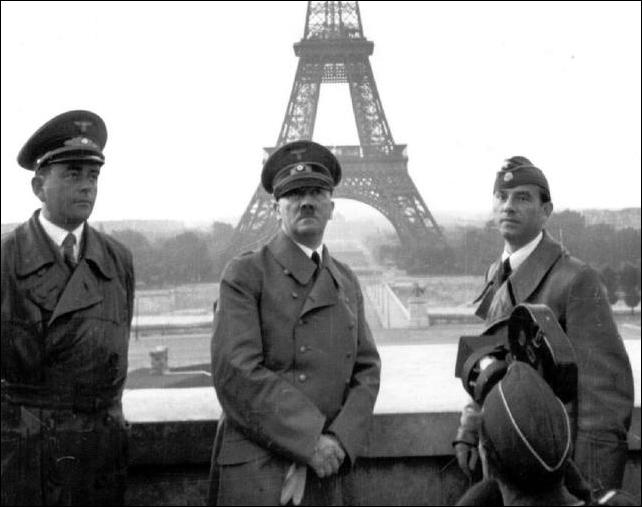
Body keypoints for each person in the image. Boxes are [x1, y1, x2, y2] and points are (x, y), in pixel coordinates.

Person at [208, 140, 381, 506]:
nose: (306, 202)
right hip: (261, 468)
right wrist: (309, 440)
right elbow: (235, 371)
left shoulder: (346, 279)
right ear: (276, 208)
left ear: (331, 207)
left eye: (316, 192)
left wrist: (339, 441)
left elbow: (367, 369)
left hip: (325, 465)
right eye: (294, 193)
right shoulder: (244, 274)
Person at [453, 156, 634, 493]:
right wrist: (469, 428)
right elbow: (489, 362)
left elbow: (605, 402)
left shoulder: (576, 280)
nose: (508, 206)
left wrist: (590, 492)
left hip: (554, 478)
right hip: (504, 466)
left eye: (522, 197)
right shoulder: (496, 273)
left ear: (546, 211)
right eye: (501, 197)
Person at [1, 110, 134, 505]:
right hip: (28, 456)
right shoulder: (5, 260)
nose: (87, 186)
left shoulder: (118, 259)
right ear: (39, 186)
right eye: (73, 174)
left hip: (100, 454)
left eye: (93, 176)